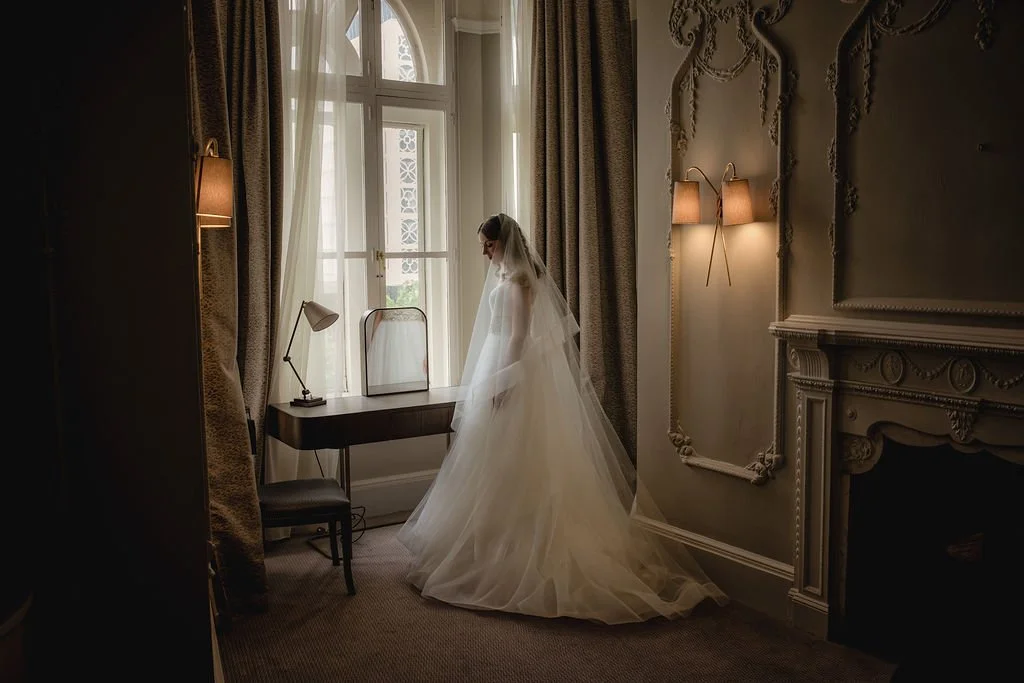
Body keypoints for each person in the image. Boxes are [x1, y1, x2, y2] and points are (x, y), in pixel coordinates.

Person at [397, 213, 727, 624]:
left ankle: (512, 549)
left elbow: (518, 336)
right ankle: (487, 542)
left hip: (510, 370)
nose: (484, 251)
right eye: (483, 244)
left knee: (518, 462)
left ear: (505, 243)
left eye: (488, 244)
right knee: (491, 463)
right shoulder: (505, 275)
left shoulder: (518, 281)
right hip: (496, 365)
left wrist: (506, 382)